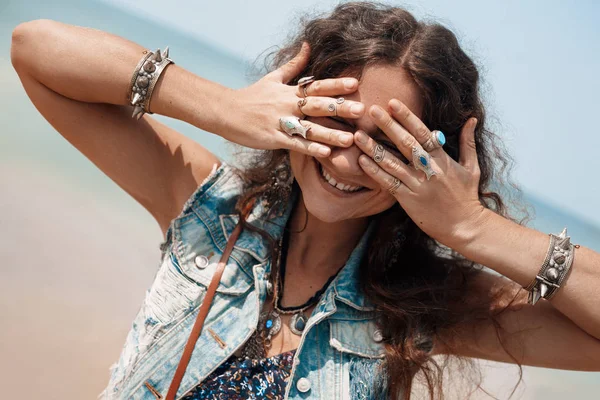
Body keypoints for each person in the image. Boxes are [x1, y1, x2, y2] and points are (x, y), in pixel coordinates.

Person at [10, 2, 600, 399]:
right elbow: (35, 50)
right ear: (295, 103)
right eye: (332, 123)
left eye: (385, 146)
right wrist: (222, 108)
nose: (344, 160)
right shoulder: (210, 210)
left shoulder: (420, 308)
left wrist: (473, 227)